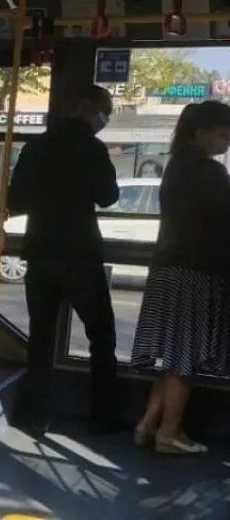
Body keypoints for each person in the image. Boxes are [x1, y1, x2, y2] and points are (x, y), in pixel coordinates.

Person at [8, 84, 122, 436]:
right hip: (81, 253)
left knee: (41, 337)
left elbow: (15, 200)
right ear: (86, 107)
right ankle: (103, 416)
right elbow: (109, 197)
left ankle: (35, 414)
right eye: (105, 111)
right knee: (101, 335)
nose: (105, 119)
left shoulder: (36, 147)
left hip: (40, 251)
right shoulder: (93, 149)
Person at [130, 101, 230, 454]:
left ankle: (146, 424)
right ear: (200, 133)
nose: (226, 141)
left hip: (167, 268)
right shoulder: (209, 171)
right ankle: (169, 433)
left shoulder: (176, 166)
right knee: (185, 358)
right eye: (222, 134)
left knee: (173, 357)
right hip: (195, 272)